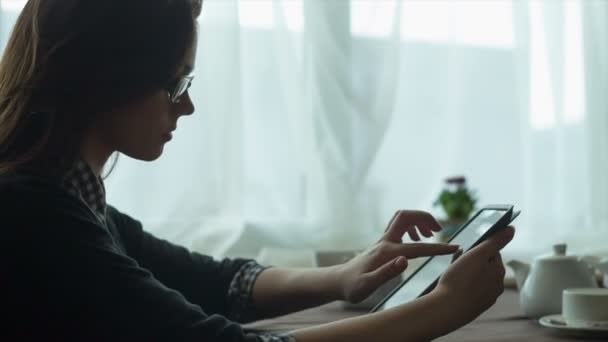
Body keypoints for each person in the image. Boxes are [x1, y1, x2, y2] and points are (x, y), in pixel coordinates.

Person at [0, 0, 515, 341]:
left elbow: (212, 281)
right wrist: (443, 310)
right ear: (111, 79)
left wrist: (344, 276)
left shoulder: (66, 200)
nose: (188, 107)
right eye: (177, 84)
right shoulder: (35, 216)